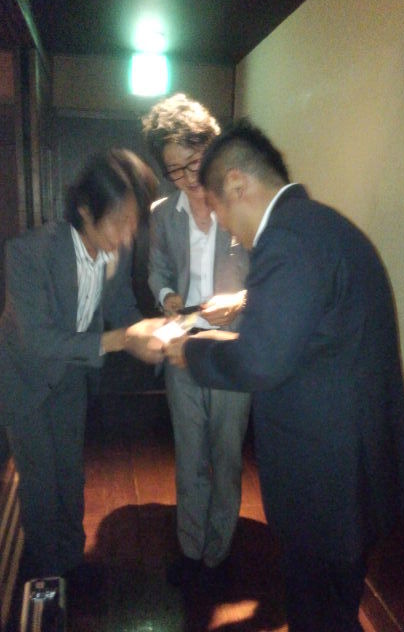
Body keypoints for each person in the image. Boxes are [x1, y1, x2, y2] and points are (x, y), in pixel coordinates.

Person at [161, 120, 404, 630]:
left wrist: (189, 350)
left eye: (219, 210)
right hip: (352, 470)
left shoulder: (285, 240)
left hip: (325, 482)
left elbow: (261, 360)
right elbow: (305, 342)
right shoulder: (322, 226)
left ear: (237, 184)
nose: (226, 229)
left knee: (317, 612)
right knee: (335, 607)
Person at [0, 149, 163, 585]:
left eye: (133, 222)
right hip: (22, 377)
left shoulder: (117, 250)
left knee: (70, 472)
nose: (126, 234)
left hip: (71, 375)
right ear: (85, 208)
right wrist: (122, 340)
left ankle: (71, 556)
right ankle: (48, 574)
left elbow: (121, 307)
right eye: (119, 221)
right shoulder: (29, 252)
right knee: (40, 482)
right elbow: (38, 340)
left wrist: (154, 334)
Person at [141, 94, 251, 586]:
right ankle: (190, 552)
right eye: (174, 170)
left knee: (226, 456)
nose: (187, 178)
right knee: (190, 456)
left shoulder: (241, 202)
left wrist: (241, 300)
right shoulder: (163, 213)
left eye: (194, 163)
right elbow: (158, 270)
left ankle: (219, 554)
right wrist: (167, 296)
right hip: (182, 344)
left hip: (232, 346)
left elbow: (269, 274)